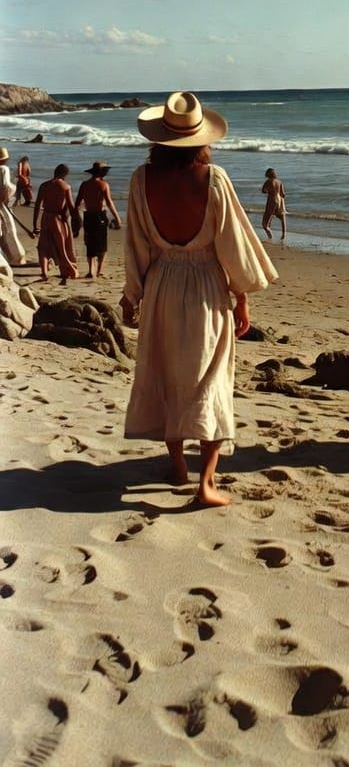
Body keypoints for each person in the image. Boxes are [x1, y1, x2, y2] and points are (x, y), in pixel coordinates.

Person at [121, 91, 278, 507]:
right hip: (207, 287)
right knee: (211, 379)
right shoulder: (214, 180)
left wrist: (131, 295)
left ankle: (177, 465)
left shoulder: (141, 179)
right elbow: (233, 246)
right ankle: (206, 483)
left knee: (166, 373)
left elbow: (135, 243)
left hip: (161, 285)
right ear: (201, 139)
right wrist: (242, 297)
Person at [74, 161, 122, 279]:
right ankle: (99, 271)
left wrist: (76, 217)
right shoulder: (104, 185)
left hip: (88, 215)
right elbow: (109, 203)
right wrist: (117, 217)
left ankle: (91, 270)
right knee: (102, 245)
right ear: (102, 172)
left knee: (90, 243)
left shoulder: (84, 184)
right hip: (100, 216)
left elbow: (77, 203)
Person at [33, 164, 79, 283]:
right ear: (65, 174)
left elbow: (37, 205)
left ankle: (44, 271)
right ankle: (68, 270)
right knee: (62, 247)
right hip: (58, 219)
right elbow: (71, 206)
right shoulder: (65, 187)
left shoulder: (44, 185)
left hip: (46, 217)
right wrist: (77, 221)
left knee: (43, 247)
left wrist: (34, 224)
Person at [0, 147, 26, 266]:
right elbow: (6, 186)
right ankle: (16, 258)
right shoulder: (3, 169)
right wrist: (8, 196)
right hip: (1, 203)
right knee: (9, 230)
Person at [261, 167, 287, 241]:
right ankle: (283, 234)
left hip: (271, 201)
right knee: (282, 218)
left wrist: (268, 191)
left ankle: (270, 236)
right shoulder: (279, 182)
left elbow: (263, 190)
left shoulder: (268, 182)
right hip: (279, 201)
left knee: (265, 223)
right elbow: (283, 194)